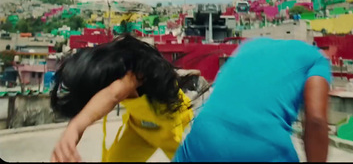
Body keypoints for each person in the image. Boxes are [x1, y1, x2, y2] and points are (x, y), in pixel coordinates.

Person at [174, 37, 332, 162]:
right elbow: (316, 120)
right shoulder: (317, 59)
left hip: (202, 137)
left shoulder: (248, 46)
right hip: (263, 147)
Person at [50, 34, 196, 162]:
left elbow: (113, 94)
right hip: (140, 131)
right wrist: (73, 134)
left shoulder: (132, 72)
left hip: (175, 129)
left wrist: (75, 127)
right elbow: (88, 110)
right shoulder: (106, 73)